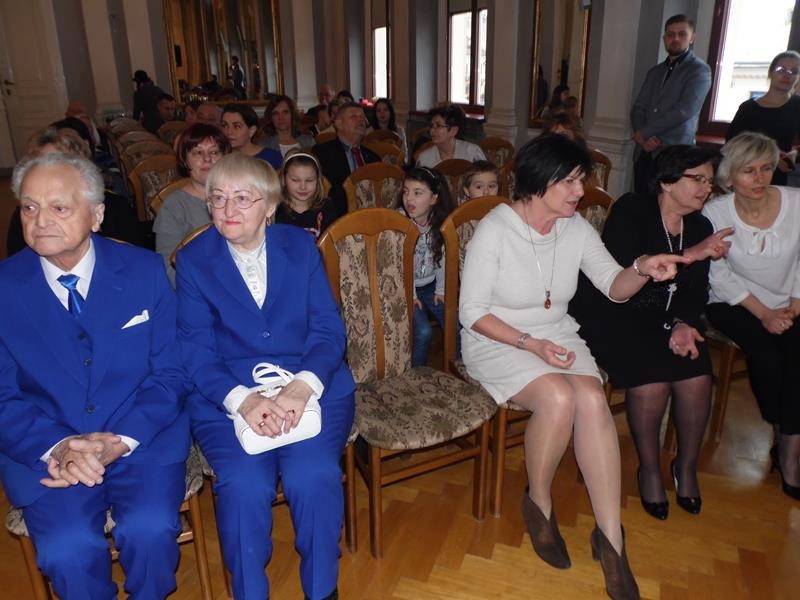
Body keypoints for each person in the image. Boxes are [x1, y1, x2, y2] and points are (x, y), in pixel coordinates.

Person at [459, 134, 689, 599]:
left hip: (556, 333)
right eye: (569, 181)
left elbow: (613, 287)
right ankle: (539, 502)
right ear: (538, 180)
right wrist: (531, 344)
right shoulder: (496, 228)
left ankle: (611, 539)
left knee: (591, 398)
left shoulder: (575, 227)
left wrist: (642, 268)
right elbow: (472, 312)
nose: (580, 191)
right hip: (497, 338)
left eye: (581, 180)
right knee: (559, 398)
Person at [0, 152, 190, 599]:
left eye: (58, 207)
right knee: (68, 550)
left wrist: (120, 441)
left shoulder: (144, 271)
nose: (40, 221)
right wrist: (60, 446)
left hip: (141, 439)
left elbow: (171, 373)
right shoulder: (4, 288)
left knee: (150, 530)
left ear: (97, 215)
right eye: (29, 207)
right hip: (47, 453)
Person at [176, 153, 355, 600]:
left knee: (312, 475)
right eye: (218, 199)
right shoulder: (194, 260)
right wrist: (244, 400)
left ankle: (322, 590)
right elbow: (195, 350)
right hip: (228, 395)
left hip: (310, 383)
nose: (227, 210)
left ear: (270, 205)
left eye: (242, 198)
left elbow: (328, 329)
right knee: (243, 484)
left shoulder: (300, 246)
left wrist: (302, 385)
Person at [570, 145, 733, 520]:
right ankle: (649, 469)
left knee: (697, 374)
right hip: (614, 316)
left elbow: (695, 293)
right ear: (667, 181)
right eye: (698, 179)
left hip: (668, 320)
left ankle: (686, 468)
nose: (706, 188)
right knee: (652, 381)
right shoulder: (632, 210)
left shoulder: (699, 227)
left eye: (709, 181)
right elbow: (624, 286)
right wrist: (689, 259)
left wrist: (683, 324)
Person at [702, 132, 800, 502]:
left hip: (790, 299)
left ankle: (790, 445)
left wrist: (795, 304)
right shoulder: (715, 213)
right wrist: (764, 314)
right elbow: (718, 275)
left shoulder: (796, 203)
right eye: (749, 171)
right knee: (766, 354)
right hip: (733, 302)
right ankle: (781, 429)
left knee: (798, 353)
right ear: (729, 176)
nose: (760, 178)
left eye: (766, 168)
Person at [7, 126, 142, 256]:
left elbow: (130, 257)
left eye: (58, 163)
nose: (41, 221)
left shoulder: (116, 207)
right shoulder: (25, 215)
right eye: (40, 163)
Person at [630, 14, 712, 194]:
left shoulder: (699, 71)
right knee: (641, 204)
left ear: (692, 37)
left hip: (675, 154)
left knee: (667, 206)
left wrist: (644, 132)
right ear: (664, 39)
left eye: (682, 34)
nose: (675, 39)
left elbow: (684, 111)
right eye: (670, 34)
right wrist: (642, 136)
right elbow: (638, 107)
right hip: (645, 152)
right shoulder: (655, 72)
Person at [154, 123, 231, 284]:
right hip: (198, 287)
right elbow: (168, 267)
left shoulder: (242, 196)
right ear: (185, 160)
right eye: (197, 152)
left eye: (214, 152)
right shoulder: (174, 206)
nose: (207, 159)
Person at [399, 167, 454, 366]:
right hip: (404, 287)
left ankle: (457, 368)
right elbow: (401, 264)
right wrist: (411, 295)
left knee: (454, 322)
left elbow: (443, 259)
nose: (409, 199)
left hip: (430, 286)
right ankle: (417, 373)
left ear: (434, 198)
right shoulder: (398, 221)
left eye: (417, 193)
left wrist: (441, 290)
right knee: (423, 331)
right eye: (406, 191)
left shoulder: (440, 223)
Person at [726, 50, 800, 185]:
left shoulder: (797, 105)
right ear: (770, 72)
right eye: (781, 70)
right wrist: (771, 155)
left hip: (779, 175)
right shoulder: (748, 108)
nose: (787, 75)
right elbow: (731, 143)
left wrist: (794, 154)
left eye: (794, 72)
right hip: (747, 172)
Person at [312, 102, 380, 213]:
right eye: (354, 117)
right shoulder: (322, 153)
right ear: (339, 124)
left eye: (362, 117)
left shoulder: (374, 158)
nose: (361, 120)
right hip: (339, 216)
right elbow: (327, 194)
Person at [275, 150, 342, 239]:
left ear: (318, 180)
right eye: (295, 180)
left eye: (309, 180)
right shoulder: (276, 210)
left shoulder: (327, 208)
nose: (303, 187)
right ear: (284, 179)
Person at [416, 103, 487, 168]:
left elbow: (486, 175)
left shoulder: (472, 154)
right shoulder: (424, 159)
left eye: (438, 126)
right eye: (431, 126)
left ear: (454, 131)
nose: (432, 130)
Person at [221, 103, 282, 170]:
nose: (229, 132)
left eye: (237, 126)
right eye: (225, 125)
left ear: (251, 130)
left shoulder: (272, 157)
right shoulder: (218, 156)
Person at [132, 69, 166, 134]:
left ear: (139, 83)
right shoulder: (159, 90)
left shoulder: (139, 93)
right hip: (164, 124)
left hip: (150, 127)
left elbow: (136, 115)